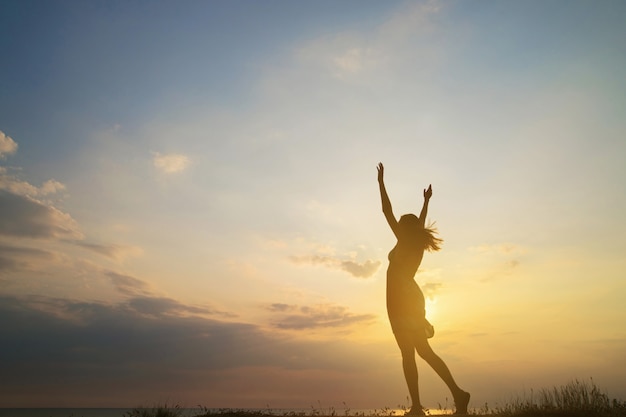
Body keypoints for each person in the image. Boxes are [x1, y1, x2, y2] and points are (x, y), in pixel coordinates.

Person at [377, 163, 470, 416]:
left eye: (402, 223)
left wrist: (381, 183)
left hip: (401, 301)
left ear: (405, 228)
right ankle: (455, 395)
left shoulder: (406, 241)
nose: (398, 223)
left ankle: (419, 406)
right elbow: (416, 221)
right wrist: (426, 202)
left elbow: (387, 211)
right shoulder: (414, 242)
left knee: (411, 354)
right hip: (405, 299)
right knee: (421, 352)